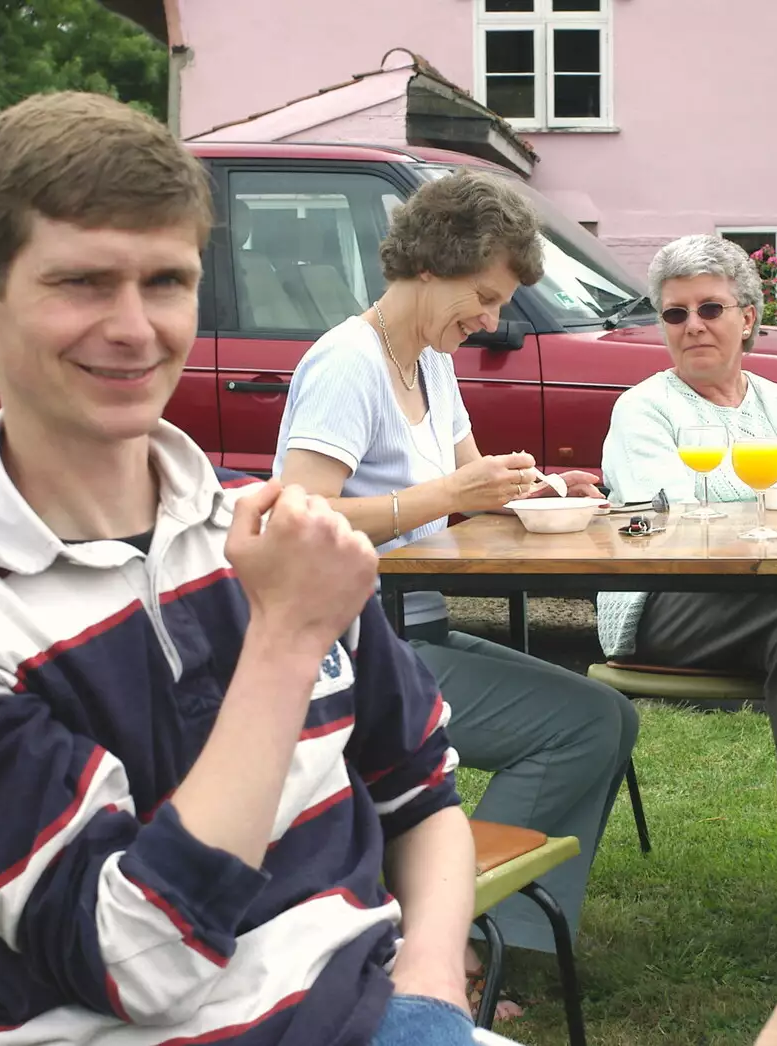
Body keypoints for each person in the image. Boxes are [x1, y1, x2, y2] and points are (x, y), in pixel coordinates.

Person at [0, 92, 482, 1046]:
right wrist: (287, 641)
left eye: (167, 281)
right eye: (83, 283)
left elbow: (421, 793)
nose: (135, 328)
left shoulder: (269, 529)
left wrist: (431, 996)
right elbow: (141, 960)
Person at [273, 169, 638, 979]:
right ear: (428, 264)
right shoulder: (348, 364)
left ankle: (493, 933)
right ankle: (455, 941)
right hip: (351, 647)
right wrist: (445, 494)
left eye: (500, 301)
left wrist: (535, 490)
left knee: (606, 716)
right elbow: (299, 511)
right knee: (582, 725)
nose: (490, 318)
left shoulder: (430, 361)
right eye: (484, 294)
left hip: (414, 629)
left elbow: (471, 481)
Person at [596, 233, 777, 863]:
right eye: (675, 313)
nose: (693, 326)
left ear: (748, 317)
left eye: (710, 309)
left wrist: (765, 518)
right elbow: (669, 518)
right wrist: (771, 511)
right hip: (662, 600)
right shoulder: (645, 409)